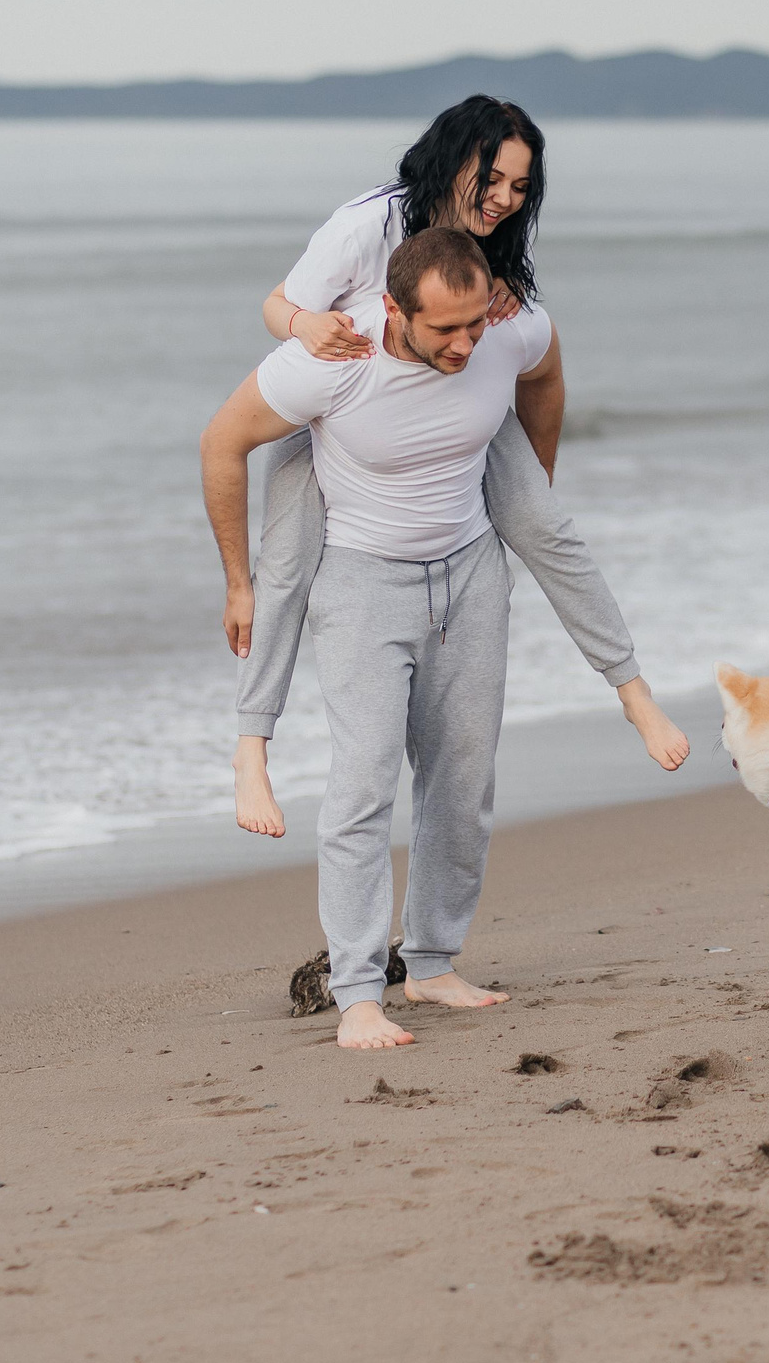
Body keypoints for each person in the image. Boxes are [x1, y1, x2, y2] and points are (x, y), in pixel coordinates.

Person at [227, 96, 687, 840]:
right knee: (283, 565)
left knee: (546, 523)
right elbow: (276, 306)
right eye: (494, 180)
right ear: (455, 161)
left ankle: (631, 689)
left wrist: (525, 484)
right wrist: (307, 324)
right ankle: (253, 748)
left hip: (453, 410)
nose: (506, 200)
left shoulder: (492, 243)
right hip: (342, 408)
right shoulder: (365, 225)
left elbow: (534, 362)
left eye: (521, 188)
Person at [201, 229, 571, 1047]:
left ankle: (433, 962)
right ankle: (359, 988)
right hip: (362, 582)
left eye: (476, 325)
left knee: (462, 779)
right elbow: (221, 442)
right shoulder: (335, 358)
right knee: (363, 785)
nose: (467, 343)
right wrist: (238, 581)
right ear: (393, 309)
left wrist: (530, 493)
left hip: (466, 574)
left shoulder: (498, 330)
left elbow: (544, 367)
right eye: (446, 329)